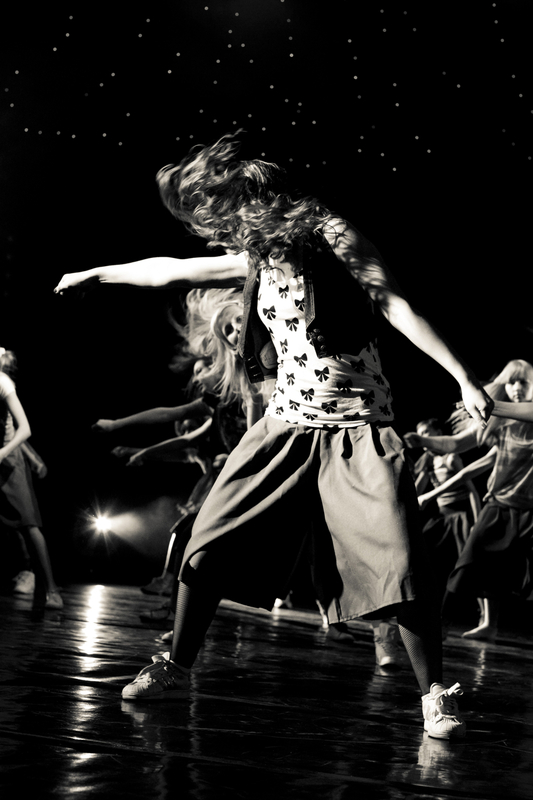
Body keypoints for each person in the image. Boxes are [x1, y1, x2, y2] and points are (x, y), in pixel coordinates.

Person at [55, 131, 492, 738]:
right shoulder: (257, 258)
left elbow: (395, 304)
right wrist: (96, 272)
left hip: (357, 427)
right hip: (286, 424)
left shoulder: (333, 235)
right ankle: (174, 664)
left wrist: (462, 377)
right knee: (207, 540)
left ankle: (433, 697)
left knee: (400, 564)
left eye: (225, 214)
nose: (221, 232)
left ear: (254, 201)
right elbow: (172, 270)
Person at [405, 359, 533, 642]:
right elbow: (456, 443)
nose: (515, 387)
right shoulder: (501, 424)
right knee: (468, 564)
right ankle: (442, 624)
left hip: (530, 512)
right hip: (499, 505)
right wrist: (423, 441)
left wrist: (487, 403)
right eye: (510, 382)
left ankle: (488, 624)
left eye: (523, 381)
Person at [0, 347, 62, 608]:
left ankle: (51, 591)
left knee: (28, 524)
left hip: (8, 462)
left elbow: (24, 428)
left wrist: (4, 454)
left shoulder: (2, 382)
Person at [413, 418, 481, 605]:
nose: (422, 437)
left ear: (438, 433)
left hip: (460, 515)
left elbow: (472, 491)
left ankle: (482, 611)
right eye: (419, 434)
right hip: (443, 516)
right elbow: (416, 492)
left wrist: (476, 521)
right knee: (425, 555)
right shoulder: (429, 461)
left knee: (466, 565)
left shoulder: (451, 458)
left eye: (425, 432)